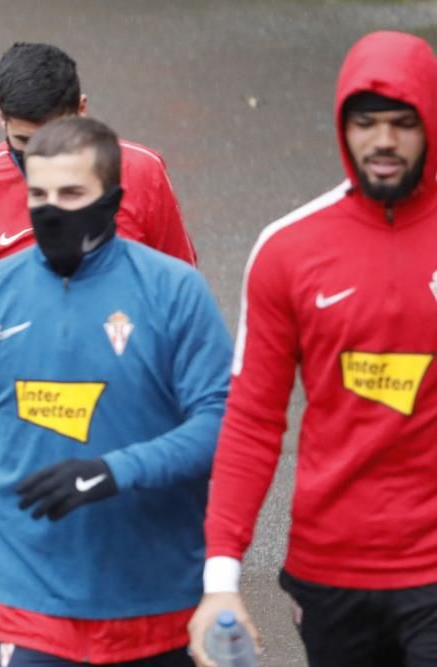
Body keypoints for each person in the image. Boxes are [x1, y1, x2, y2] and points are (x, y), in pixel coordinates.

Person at [0, 116, 232, 666]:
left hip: (158, 600)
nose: (51, 210)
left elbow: (223, 426)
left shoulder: (173, 290)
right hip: (36, 603)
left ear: (113, 200)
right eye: (38, 194)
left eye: (72, 193)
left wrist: (116, 470)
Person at [188, 31, 437, 667]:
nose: (383, 140)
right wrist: (220, 581)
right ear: (342, 127)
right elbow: (251, 420)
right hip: (331, 572)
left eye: (403, 123)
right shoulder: (288, 250)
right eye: (366, 123)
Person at [0, 42, 198, 493]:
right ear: (0, 116)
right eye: (24, 144)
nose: (41, 162)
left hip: (136, 424)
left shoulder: (141, 173)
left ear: (82, 110)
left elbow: (182, 300)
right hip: (26, 432)